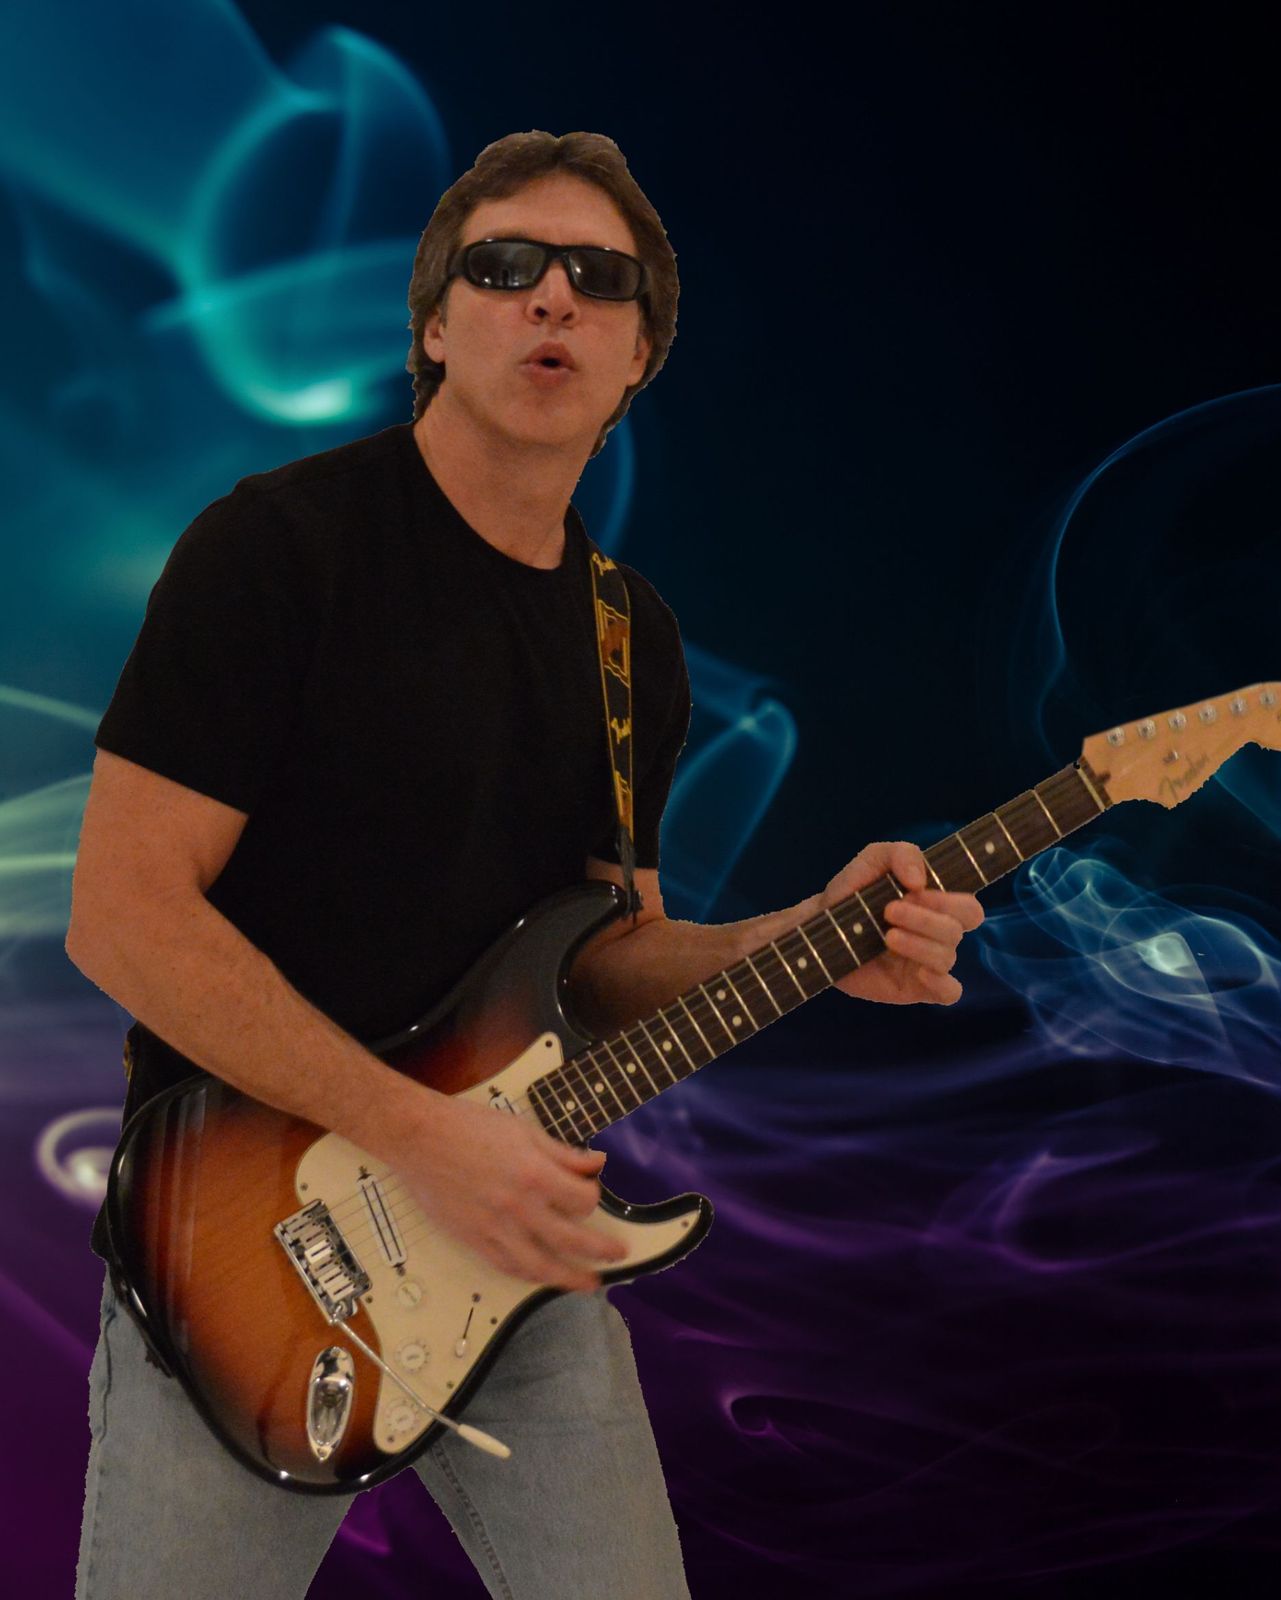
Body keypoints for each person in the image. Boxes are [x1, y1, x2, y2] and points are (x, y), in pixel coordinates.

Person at [66, 130, 984, 1599]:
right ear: (434, 325)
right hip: (241, 1247)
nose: (553, 297)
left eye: (600, 281)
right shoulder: (278, 551)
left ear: (638, 361)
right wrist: (424, 1138)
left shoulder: (632, 642)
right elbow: (120, 918)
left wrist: (808, 938)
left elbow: (604, 959)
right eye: (505, 267)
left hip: (517, 1247)